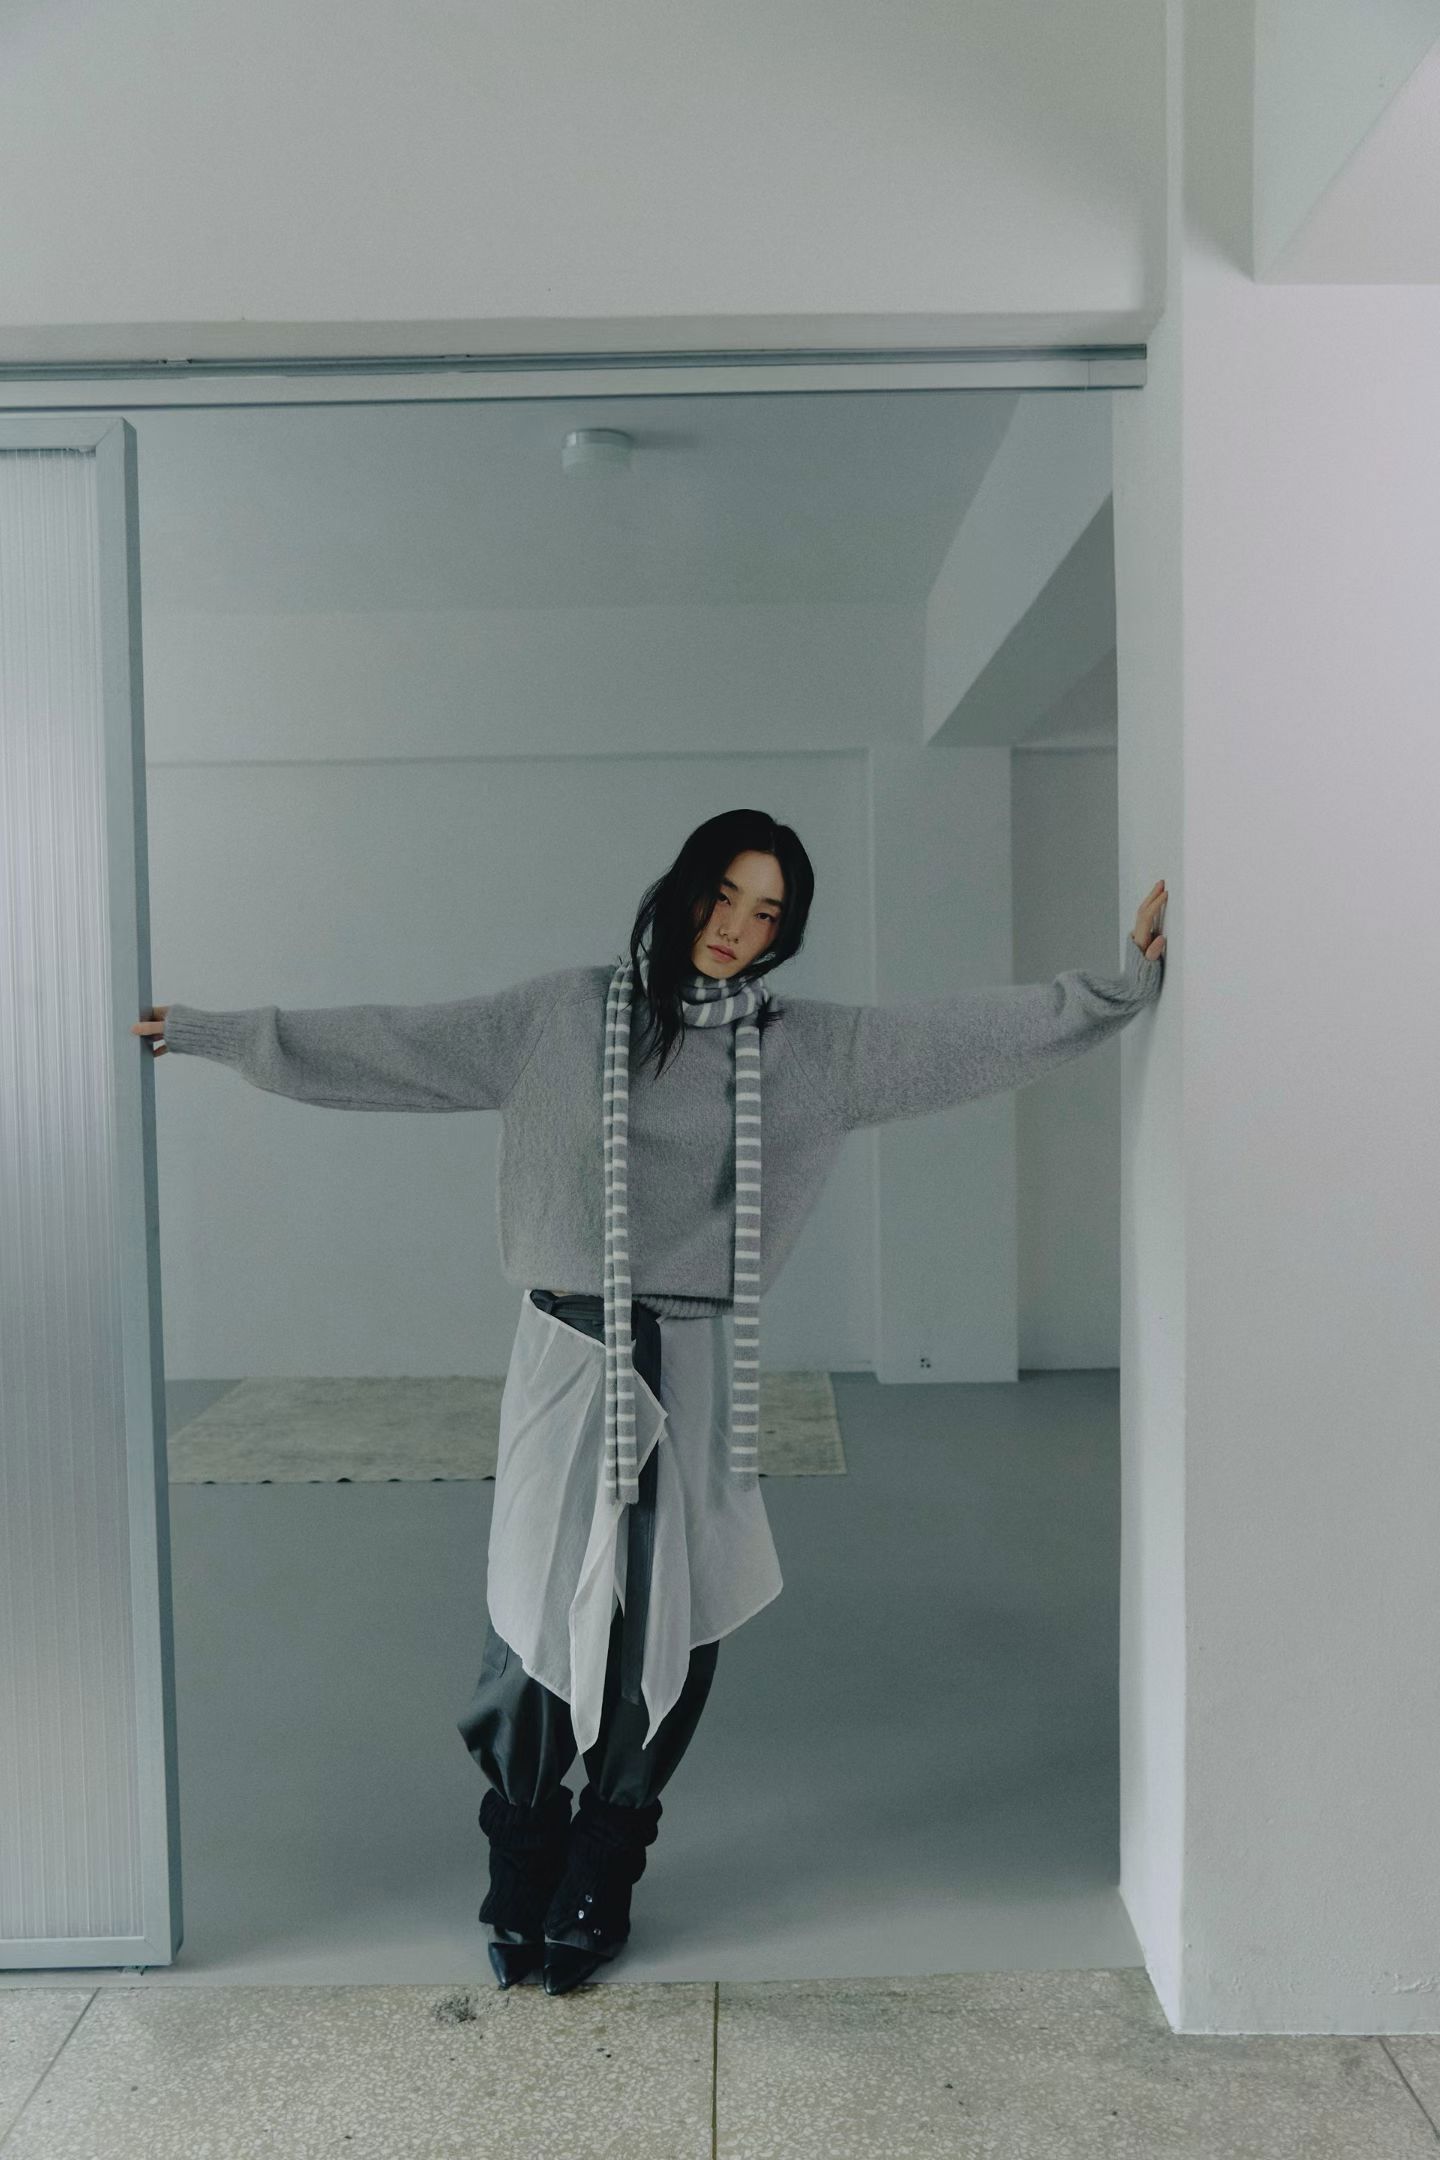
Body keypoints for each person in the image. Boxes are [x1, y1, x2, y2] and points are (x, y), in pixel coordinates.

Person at [135, 809, 1167, 1996]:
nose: (736, 928)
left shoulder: (808, 1050)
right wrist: (215, 1033)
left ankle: (604, 1861)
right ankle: (523, 1845)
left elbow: (962, 1039)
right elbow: (390, 1045)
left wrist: (1117, 988)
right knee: (531, 1610)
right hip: (565, 1354)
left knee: (665, 1621)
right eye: (723, 896)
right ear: (681, 891)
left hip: (695, 1357)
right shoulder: (560, 1016)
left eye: (767, 914)